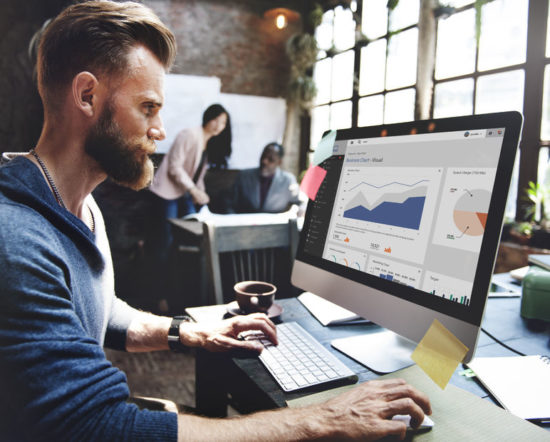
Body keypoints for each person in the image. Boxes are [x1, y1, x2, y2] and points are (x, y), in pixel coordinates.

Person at [0, 2, 431, 441]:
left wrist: (188, 332)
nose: (160, 129)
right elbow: (101, 426)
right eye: (148, 107)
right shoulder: (17, 240)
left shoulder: (81, 206)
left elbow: (100, 311)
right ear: (87, 95)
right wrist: (321, 420)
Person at [149, 103, 232, 218]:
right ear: (208, 117)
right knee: (169, 233)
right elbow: (174, 166)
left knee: (191, 229)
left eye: (223, 123)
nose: (218, 126)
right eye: (215, 120)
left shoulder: (210, 144)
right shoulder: (189, 134)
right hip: (167, 191)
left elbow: (198, 175)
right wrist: (194, 191)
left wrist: (201, 193)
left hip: (185, 192)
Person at [228, 142, 306, 215]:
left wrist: (301, 209)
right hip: (244, 224)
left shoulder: (288, 180)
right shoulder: (244, 176)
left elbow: (301, 201)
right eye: (263, 156)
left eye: (270, 159)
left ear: (279, 162)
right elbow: (229, 202)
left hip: (274, 226)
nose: (264, 161)